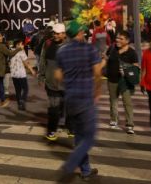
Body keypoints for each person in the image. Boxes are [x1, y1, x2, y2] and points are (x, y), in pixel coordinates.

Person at [55, 21, 103, 182]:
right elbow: (97, 73)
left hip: (70, 99)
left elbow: (58, 76)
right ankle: (71, 164)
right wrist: (97, 91)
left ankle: (86, 170)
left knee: (79, 136)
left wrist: (69, 83)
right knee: (89, 137)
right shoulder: (90, 49)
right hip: (86, 98)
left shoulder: (61, 51)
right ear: (80, 33)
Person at [38, 23, 73, 141]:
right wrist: (41, 75)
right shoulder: (47, 44)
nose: (55, 35)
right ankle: (51, 130)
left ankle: (70, 127)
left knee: (69, 106)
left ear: (64, 34)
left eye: (58, 33)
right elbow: (42, 60)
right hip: (51, 82)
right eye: (54, 33)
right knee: (53, 108)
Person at [105, 31, 138, 134]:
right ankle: (114, 120)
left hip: (125, 81)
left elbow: (136, 67)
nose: (117, 40)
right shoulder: (112, 49)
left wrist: (127, 69)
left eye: (121, 39)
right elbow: (105, 59)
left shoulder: (132, 52)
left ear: (127, 41)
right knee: (113, 101)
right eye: (117, 38)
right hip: (112, 79)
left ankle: (130, 124)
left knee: (127, 102)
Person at [10, 39, 36, 110]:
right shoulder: (21, 52)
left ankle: (19, 105)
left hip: (13, 74)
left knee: (17, 90)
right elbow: (26, 63)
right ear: (17, 45)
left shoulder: (11, 51)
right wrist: (32, 70)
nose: (23, 45)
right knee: (25, 88)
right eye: (21, 44)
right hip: (21, 73)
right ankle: (22, 100)